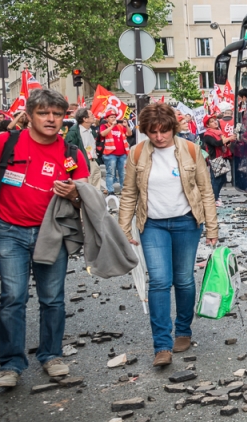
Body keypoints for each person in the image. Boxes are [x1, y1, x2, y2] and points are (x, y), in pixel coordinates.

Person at [0, 89, 88, 388]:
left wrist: (75, 193)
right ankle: (10, 364)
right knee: (13, 298)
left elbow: (86, 198)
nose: (51, 119)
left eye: (57, 114)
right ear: (29, 115)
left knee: (53, 299)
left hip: (52, 234)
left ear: (64, 118)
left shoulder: (71, 154)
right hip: (10, 231)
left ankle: (51, 355)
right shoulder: (5, 142)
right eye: (43, 113)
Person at [118, 103, 218, 366]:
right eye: (153, 132)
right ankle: (162, 345)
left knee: (184, 279)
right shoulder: (137, 153)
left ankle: (183, 330)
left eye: (163, 131)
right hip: (152, 225)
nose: (159, 137)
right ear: (146, 132)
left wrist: (212, 228)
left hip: (187, 222)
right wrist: (123, 228)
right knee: (160, 281)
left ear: (173, 128)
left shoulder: (191, 150)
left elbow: (206, 191)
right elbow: (129, 193)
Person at [64, 108, 105, 192]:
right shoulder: (73, 132)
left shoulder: (91, 131)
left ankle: (95, 204)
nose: (94, 116)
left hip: (94, 162)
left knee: (96, 189)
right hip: (84, 163)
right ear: (84, 119)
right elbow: (68, 152)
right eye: (91, 115)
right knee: (86, 190)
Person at [201, 115, 234, 206]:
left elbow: (224, 142)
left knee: (222, 179)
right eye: (211, 121)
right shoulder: (207, 135)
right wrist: (230, 138)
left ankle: (216, 196)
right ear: (207, 125)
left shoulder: (218, 132)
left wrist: (230, 141)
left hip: (221, 158)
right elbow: (217, 143)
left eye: (215, 120)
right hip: (214, 159)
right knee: (216, 180)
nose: (215, 122)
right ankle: (214, 199)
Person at [100, 112, 129, 194]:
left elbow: (129, 133)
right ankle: (110, 190)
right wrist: (112, 126)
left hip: (122, 154)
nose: (113, 118)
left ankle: (123, 190)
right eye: (111, 117)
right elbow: (102, 134)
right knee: (111, 173)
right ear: (107, 119)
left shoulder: (120, 127)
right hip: (110, 154)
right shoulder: (104, 126)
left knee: (122, 173)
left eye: (114, 117)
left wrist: (126, 126)